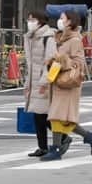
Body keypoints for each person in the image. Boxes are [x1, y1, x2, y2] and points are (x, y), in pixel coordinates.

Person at [40, 10, 92, 161]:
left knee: (56, 116)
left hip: (68, 84)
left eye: (62, 18)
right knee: (63, 118)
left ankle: (55, 149)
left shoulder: (74, 40)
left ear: (70, 21)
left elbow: (79, 63)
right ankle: (90, 137)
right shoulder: (60, 39)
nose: (59, 21)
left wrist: (62, 60)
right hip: (58, 81)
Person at [23, 9, 56, 157]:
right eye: (29, 20)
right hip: (34, 81)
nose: (30, 23)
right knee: (39, 116)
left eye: (33, 20)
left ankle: (61, 137)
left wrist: (44, 82)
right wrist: (27, 84)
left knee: (43, 115)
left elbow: (51, 62)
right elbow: (30, 64)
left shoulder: (48, 37)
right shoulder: (30, 38)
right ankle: (43, 146)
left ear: (40, 21)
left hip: (44, 81)